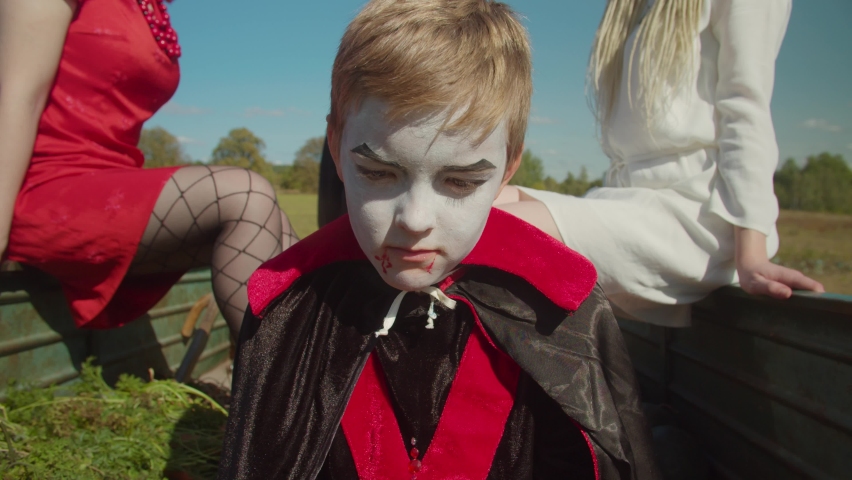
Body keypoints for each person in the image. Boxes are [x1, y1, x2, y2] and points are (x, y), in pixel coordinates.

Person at [219, 1, 659, 478]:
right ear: (336, 147)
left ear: (508, 166)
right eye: (378, 173)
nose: (414, 220)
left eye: (461, 182)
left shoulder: (561, 313)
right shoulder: (289, 313)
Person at [495, 0, 824, 327]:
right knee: (474, 205)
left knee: (488, 226)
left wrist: (752, 255)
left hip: (694, 216)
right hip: (628, 202)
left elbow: (746, 111)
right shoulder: (636, 6)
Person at [0, 0, 297, 336]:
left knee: (281, 232)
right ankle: (276, 385)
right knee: (246, 195)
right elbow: (16, 96)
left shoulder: (150, 8)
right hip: (45, 187)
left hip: (113, 187)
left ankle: (329, 378)